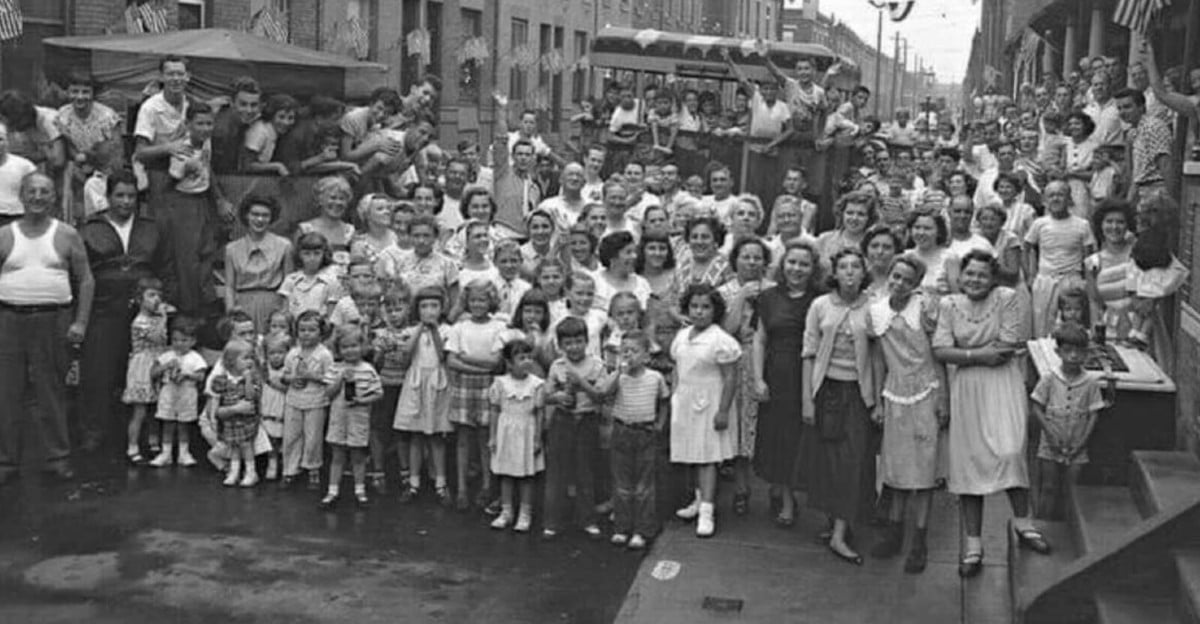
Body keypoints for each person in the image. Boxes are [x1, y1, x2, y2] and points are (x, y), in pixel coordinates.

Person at [933, 250, 1048, 579]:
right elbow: (940, 349)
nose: (975, 280)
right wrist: (978, 354)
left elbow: (1007, 346)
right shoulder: (948, 305)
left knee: (1011, 451)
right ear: (960, 276)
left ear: (993, 277)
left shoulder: (1007, 297)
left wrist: (965, 353)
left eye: (982, 275)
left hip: (1003, 383)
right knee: (969, 464)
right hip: (967, 388)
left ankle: (1024, 524)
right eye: (969, 274)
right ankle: (973, 545)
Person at [0, 172, 93, 485]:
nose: (38, 197)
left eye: (44, 192)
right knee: (7, 391)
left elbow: (86, 279)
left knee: (50, 390)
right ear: (22, 196)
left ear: (53, 197)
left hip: (54, 320)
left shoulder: (66, 234)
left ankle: (58, 457)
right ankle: (6, 460)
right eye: (32, 191)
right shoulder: (5, 234)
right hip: (9, 320)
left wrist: (80, 321)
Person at [78, 170, 172, 452]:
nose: (126, 201)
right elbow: (80, 273)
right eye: (119, 195)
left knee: (143, 372)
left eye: (131, 196)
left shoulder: (151, 227)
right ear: (108, 197)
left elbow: (165, 268)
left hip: (144, 312)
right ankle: (93, 432)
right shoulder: (90, 227)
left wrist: (163, 305)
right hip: (104, 309)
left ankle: (141, 434)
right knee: (99, 370)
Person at [867, 256, 947, 574]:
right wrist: (875, 401)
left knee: (924, 472)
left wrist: (944, 398)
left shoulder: (925, 309)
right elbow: (877, 361)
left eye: (907, 279)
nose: (899, 283)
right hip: (895, 393)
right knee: (896, 469)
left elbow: (938, 354)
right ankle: (895, 532)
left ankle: (920, 539)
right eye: (895, 276)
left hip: (926, 390)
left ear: (916, 285)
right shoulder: (877, 312)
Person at [801, 248, 877, 565]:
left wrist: (877, 399)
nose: (849, 272)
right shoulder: (820, 305)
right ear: (835, 273)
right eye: (843, 267)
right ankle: (834, 522)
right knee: (828, 461)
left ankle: (839, 535)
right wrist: (807, 398)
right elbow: (809, 351)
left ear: (863, 273)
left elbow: (879, 354)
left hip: (858, 393)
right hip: (826, 390)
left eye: (855, 267)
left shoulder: (873, 307)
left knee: (852, 461)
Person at [754, 240, 819, 526]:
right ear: (783, 264)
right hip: (775, 373)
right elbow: (760, 337)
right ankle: (780, 490)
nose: (797, 268)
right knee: (775, 437)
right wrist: (757, 378)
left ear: (813, 268)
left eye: (804, 264)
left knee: (796, 439)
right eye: (792, 262)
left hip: (806, 374)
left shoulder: (820, 298)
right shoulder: (769, 297)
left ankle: (791, 497)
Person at [671, 283, 742, 538]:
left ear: (715, 311)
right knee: (691, 453)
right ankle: (698, 501)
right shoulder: (682, 336)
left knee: (708, 457)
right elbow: (678, 370)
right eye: (694, 307)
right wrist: (675, 399)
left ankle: (708, 511)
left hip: (710, 401)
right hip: (686, 401)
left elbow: (731, 378)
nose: (699, 312)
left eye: (705, 307)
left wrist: (723, 410)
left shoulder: (721, 340)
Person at [1031, 323, 1114, 520]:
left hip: (1078, 447)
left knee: (1072, 491)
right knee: (1049, 487)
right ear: (1058, 352)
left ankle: (1068, 530)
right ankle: (1041, 527)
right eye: (1068, 351)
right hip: (1050, 446)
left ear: (1086, 353)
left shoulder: (1090, 383)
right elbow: (1036, 406)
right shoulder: (1050, 379)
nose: (1074, 356)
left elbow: (1094, 414)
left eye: (1079, 351)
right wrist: (1049, 434)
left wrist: (1081, 442)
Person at [718, 237, 773, 516]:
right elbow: (725, 331)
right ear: (735, 260)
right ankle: (741, 488)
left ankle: (776, 490)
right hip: (737, 361)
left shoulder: (775, 290)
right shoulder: (725, 291)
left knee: (769, 426)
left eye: (757, 257)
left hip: (767, 361)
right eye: (746, 257)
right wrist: (741, 297)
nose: (752, 262)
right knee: (740, 428)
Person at [544, 316, 607, 539]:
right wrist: (558, 396)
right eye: (568, 343)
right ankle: (552, 520)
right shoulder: (557, 366)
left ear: (586, 341)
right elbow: (546, 395)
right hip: (562, 421)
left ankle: (587, 519)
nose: (574, 347)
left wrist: (581, 383)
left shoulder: (597, 365)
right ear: (560, 346)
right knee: (557, 472)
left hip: (586, 421)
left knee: (585, 472)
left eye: (578, 341)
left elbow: (601, 396)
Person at [445, 280, 506, 510]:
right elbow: (452, 361)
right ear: (466, 302)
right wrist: (480, 368)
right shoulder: (460, 327)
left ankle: (486, 486)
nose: (478, 304)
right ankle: (461, 488)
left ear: (490, 301)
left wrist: (467, 359)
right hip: (463, 385)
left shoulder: (498, 327)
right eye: (473, 300)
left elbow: (495, 362)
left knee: (484, 439)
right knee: (463, 440)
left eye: (482, 300)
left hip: (487, 386)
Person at [485, 339, 546, 532]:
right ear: (509, 363)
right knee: (506, 474)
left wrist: (537, 438)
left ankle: (525, 513)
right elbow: (494, 410)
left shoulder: (536, 384)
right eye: (521, 358)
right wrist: (493, 436)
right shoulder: (500, 383)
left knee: (527, 475)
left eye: (529, 357)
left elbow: (539, 413)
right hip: (506, 431)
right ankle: (506, 511)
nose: (527, 361)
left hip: (527, 431)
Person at [320, 326, 383, 509]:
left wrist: (362, 399)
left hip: (358, 419)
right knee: (337, 455)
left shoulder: (368, 369)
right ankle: (332, 491)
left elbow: (378, 393)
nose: (350, 350)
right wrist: (340, 378)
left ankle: (360, 490)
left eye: (354, 346)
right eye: (345, 347)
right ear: (339, 349)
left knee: (358, 456)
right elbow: (328, 394)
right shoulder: (335, 368)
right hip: (338, 419)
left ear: (362, 347)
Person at [1025, 180, 1095, 338]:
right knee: (1042, 327)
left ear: (1069, 199)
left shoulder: (1082, 225)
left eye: (1060, 194)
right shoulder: (1039, 224)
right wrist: (1030, 274)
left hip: (1072, 281)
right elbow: (1027, 248)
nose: (1055, 199)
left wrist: (1085, 281)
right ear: (1045, 200)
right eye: (1051, 195)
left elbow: (1089, 257)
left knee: (1073, 325)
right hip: (1045, 280)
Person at [56, 71, 124, 222]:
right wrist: (78, 159)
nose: (80, 96)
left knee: (102, 215)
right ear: (68, 92)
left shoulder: (107, 117)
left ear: (93, 94)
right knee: (77, 216)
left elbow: (117, 151)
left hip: (106, 171)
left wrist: (94, 159)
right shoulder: (63, 115)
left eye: (85, 92)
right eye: (75, 91)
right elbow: (68, 146)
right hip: (77, 171)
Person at [122, 278, 174, 465]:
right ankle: (132, 446)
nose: (156, 300)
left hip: (157, 360)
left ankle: (154, 441)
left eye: (159, 296)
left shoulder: (156, 319)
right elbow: (155, 336)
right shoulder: (140, 322)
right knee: (140, 409)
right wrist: (164, 318)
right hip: (143, 366)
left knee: (156, 407)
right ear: (139, 299)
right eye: (151, 295)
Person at [281, 310, 335, 489]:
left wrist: (313, 376)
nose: (306, 333)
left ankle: (312, 467)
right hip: (294, 400)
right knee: (291, 436)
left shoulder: (324, 355)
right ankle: (290, 469)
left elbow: (331, 379)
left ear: (321, 333)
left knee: (313, 437)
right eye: (302, 329)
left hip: (315, 401)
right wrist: (292, 379)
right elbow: (285, 374)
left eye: (311, 330)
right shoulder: (293, 353)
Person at [224, 195, 292, 332]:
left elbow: (289, 282)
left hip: (273, 305)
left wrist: (285, 312)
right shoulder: (232, 249)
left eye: (265, 215)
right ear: (246, 216)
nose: (260, 220)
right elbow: (230, 285)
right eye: (255, 214)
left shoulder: (284, 245)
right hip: (243, 305)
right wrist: (231, 310)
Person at [149, 315, 207, 467]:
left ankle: (183, 452)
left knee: (183, 424)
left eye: (184, 340)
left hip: (187, 393)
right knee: (167, 423)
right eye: (175, 340)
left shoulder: (195, 358)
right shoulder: (167, 356)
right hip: (168, 392)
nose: (179, 344)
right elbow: (153, 373)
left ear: (193, 341)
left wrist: (188, 375)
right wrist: (165, 366)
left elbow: (201, 376)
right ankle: (166, 453)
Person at [209, 338, 262, 487]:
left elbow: (251, 396)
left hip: (246, 421)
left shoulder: (252, 379)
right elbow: (216, 396)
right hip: (229, 420)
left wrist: (248, 379)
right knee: (233, 446)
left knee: (246, 445)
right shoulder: (223, 379)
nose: (249, 361)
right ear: (231, 361)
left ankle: (251, 472)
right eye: (245, 358)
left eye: (252, 357)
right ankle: (234, 471)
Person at [492, 93, 542, 239]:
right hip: (503, 233)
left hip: (526, 237)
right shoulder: (503, 173)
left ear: (533, 158)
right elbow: (501, 141)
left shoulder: (534, 188)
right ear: (513, 156)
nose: (523, 158)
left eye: (527, 155)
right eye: (520, 154)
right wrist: (501, 111)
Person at [1084, 199, 1135, 340]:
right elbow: (1094, 302)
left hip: (1140, 330)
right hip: (1110, 330)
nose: (1114, 227)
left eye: (1120, 222)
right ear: (1101, 225)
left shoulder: (1138, 256)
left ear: (1128, 225)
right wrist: (1096, 333)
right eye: (1109, 221)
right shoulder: (1092, 263)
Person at [1116, 88, 1173, 204]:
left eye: (1127, 107)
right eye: (1119, 108)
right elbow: (1135, 173)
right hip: (1141, 192)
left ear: (1141, 107)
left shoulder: (1153, 127)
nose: (1122, 112)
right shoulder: (1134, 131)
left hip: (1156, 191)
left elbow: (1165, 165)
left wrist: (1172, 199)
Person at [298, 175, 356, 270]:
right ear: (320, 200)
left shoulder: (350, 232)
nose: (338, 203)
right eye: (333, 198)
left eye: (342, 199)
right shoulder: (305, 230)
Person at [278, 233, 339, 318]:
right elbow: (285, 313)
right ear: (299, 255)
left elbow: (331, 315)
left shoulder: (330, 282)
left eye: (317, 253)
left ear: (324, 254)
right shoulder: (291, 280)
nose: (312, 258)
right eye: (306, 254)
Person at [209, 76, 260, 175]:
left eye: (253, 105)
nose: (249, 110)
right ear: (232, 103)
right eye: (243, 104)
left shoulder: (245, 122)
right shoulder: (222, 131)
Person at [816, 191, 876, 266]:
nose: (854, 218)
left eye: (861, 214)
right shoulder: (823, 240)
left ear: (869, 218)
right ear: (842, 214)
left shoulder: (875, 246)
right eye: (850, 213)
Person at [242, 94, 297, 176]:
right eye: (281, 117)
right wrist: (277, 166)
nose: (286, 122)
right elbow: (247, 165)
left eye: (290, 118)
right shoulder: (259, 131)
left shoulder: (276, 132)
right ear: (271, 115)